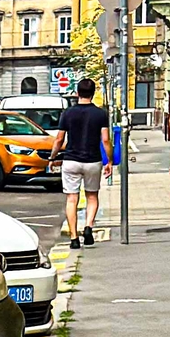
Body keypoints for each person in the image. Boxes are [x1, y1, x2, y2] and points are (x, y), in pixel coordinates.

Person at [51, 77, 112, 246]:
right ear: (93, 93)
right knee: (92, 196)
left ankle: (74, 238)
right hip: (93, 161)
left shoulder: (67, 113)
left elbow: (59, 139)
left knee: (72, 199)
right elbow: (105, 140)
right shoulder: (100, 114)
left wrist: (52, 157)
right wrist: (110, 161)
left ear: (77, 93)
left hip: (71, 160)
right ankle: (88, 227)